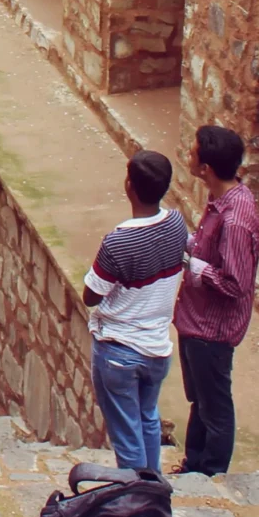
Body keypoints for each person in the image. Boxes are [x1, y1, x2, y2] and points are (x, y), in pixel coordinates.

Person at [85, 150, 190, 474]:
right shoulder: (176, 223)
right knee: (147, 422)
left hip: (119, 349)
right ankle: (152, 487)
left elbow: (91, 295)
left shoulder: (118, 242)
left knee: (127, 436)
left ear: (129, 186)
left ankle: (136, 500)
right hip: (157, 349)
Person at [173, 125, 259, 476]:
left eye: (193, 153)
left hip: (212, 329)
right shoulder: (222, 201)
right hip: (196, 320)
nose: (189, 157)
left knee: (215, 406)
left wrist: (195, 267)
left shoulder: (235, 219)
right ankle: (194, 465)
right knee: (201, 401)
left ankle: (211, 474)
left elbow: (235, 282)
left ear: (206, 167)